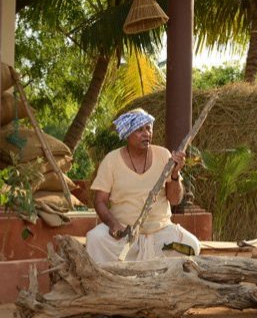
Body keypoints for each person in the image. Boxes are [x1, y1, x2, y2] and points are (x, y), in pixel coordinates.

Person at [86, 108, 201, 263]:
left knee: (191, 245)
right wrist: (114, 225)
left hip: (161, 233)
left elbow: (174, 200)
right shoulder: (111, 161)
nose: (146, 133)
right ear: (128, 134)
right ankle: (113, 282)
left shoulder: (163, 155)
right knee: (95, 239)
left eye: (148, 128)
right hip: (125, 234)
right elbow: (99, 201)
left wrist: (175, 174)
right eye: (140, 130)